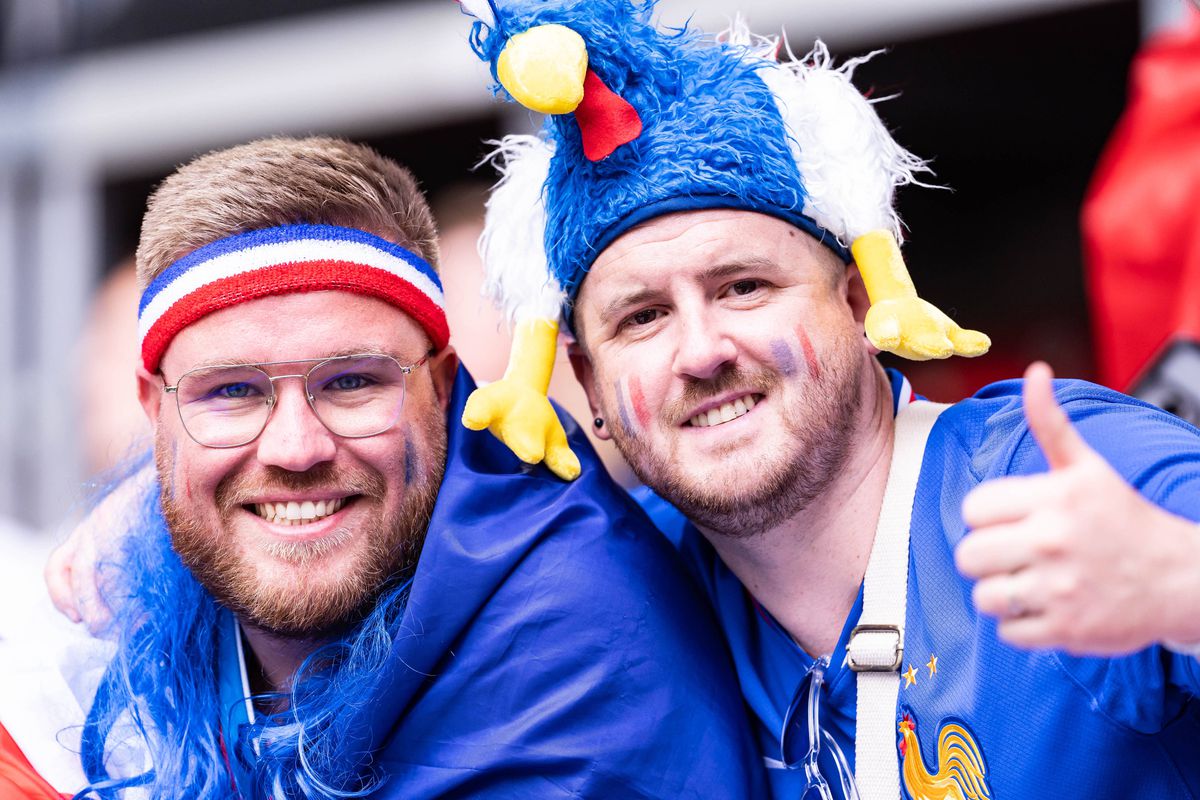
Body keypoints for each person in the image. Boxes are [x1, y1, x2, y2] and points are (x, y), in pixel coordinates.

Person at [455, 2, 1200, 798]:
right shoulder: (623, 593)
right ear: (590, 380)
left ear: (856, 304)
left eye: (744, 287)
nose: (702, 352)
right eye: (643, 318)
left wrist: (1179, 587)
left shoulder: (1056, 474)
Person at [27, 135, 763, 799]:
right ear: (156, 414)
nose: (294, 447)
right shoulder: (97, 617)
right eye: (233, 392)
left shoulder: (581, 648)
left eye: (352, 382)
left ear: (443, 387)